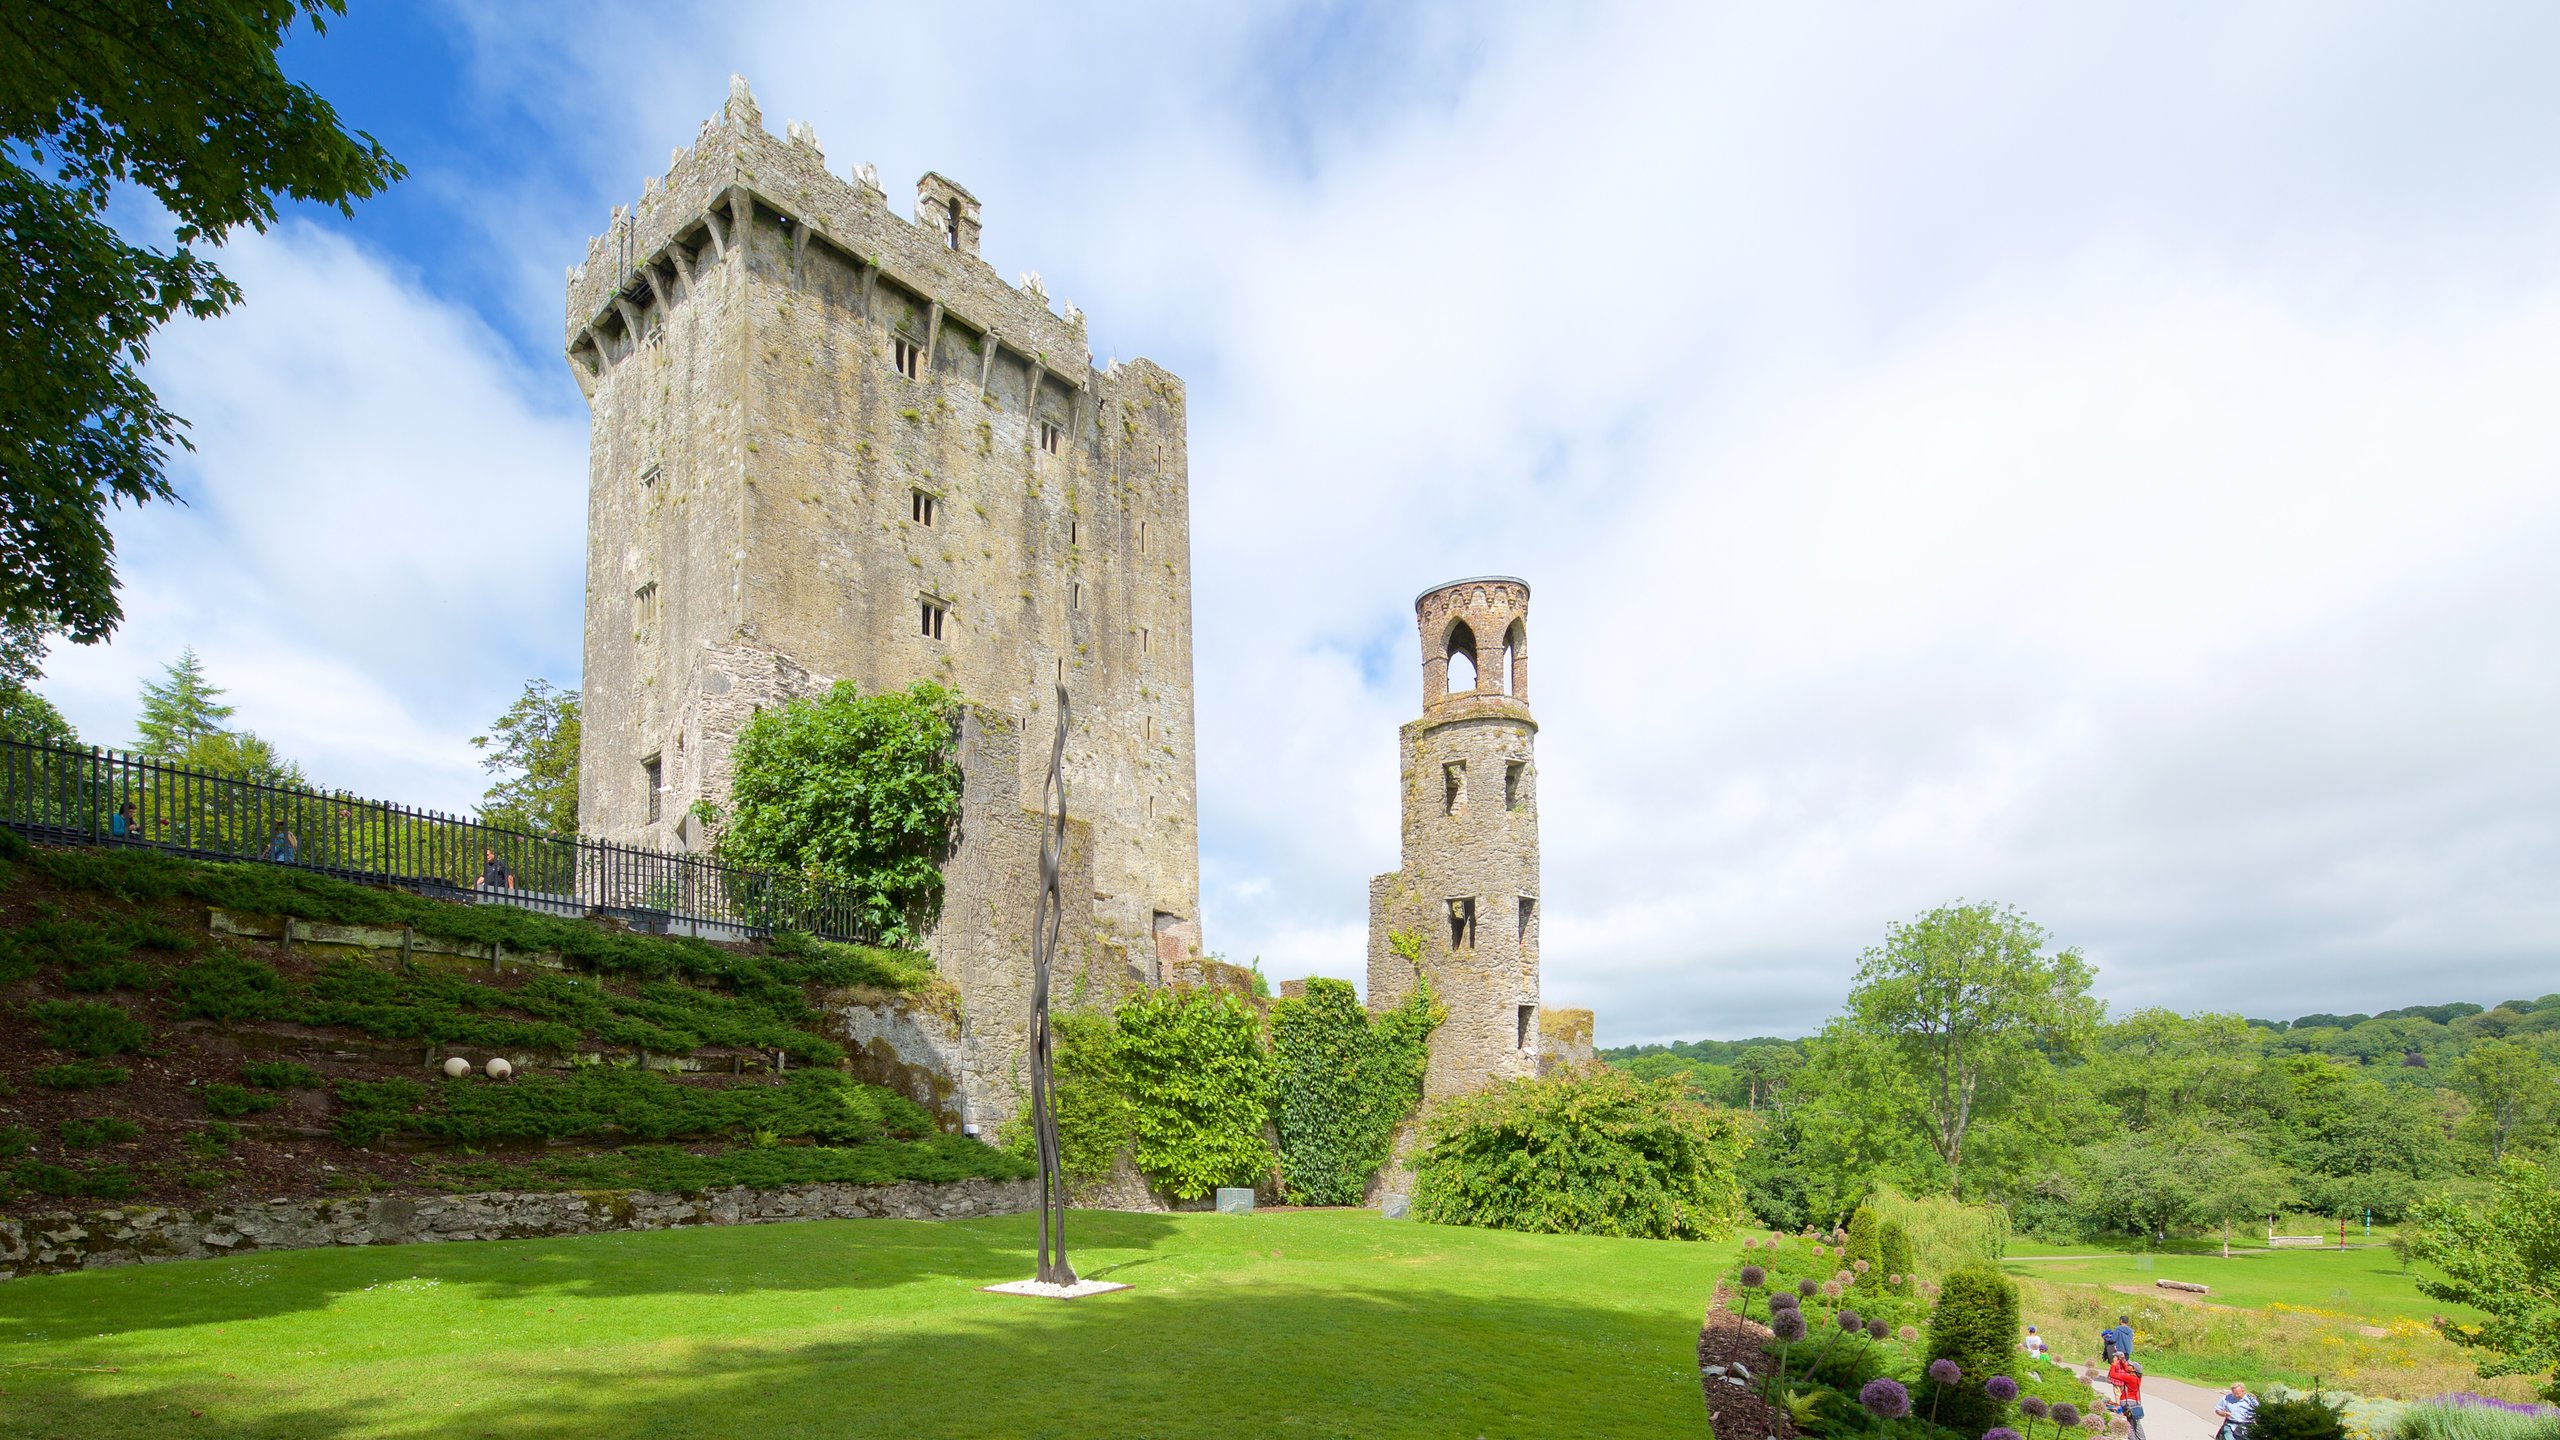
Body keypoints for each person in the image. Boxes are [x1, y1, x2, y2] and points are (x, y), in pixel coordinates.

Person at [2108, 1357, 2147, 1440]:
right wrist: (2122, 1360)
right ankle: (2141, 1438)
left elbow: (2112, 1375)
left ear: (2133, 1369)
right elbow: (2126, 1369)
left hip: (2127, 1402)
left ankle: (2135, 1438)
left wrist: (2114, 1364)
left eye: (2130, 1365)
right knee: (2136, 1422)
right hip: (2134, 1403)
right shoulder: (2137, 1378)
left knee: (2130, 1424)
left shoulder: (2129, 1378)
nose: (2127, 1366)